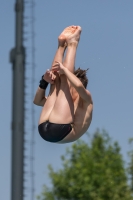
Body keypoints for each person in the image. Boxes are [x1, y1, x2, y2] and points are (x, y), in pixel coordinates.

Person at [33, 25, 93, 143]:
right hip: (45, 127)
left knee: (63, 82)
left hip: (61, 130)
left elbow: (79, 86)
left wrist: (65, 71)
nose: (71, 89)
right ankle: (61, 46)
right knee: (55, 84)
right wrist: (44, 81)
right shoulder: (66, 104)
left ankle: (72, 44)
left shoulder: (86, 99)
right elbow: (37, 101)